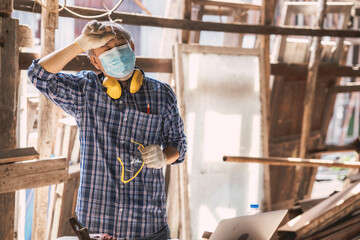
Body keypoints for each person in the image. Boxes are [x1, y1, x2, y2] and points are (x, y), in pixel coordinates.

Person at [28, 20, 187, 239]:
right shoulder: (85, 91)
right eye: (106, 49)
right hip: (97, 226)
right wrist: (80, 43)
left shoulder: (161, 94)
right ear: (95, 61)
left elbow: (179, 145)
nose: (116, 53)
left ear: (132, 47)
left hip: (148, 225)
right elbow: (38, 75)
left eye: (120, 45)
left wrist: (163, 157)